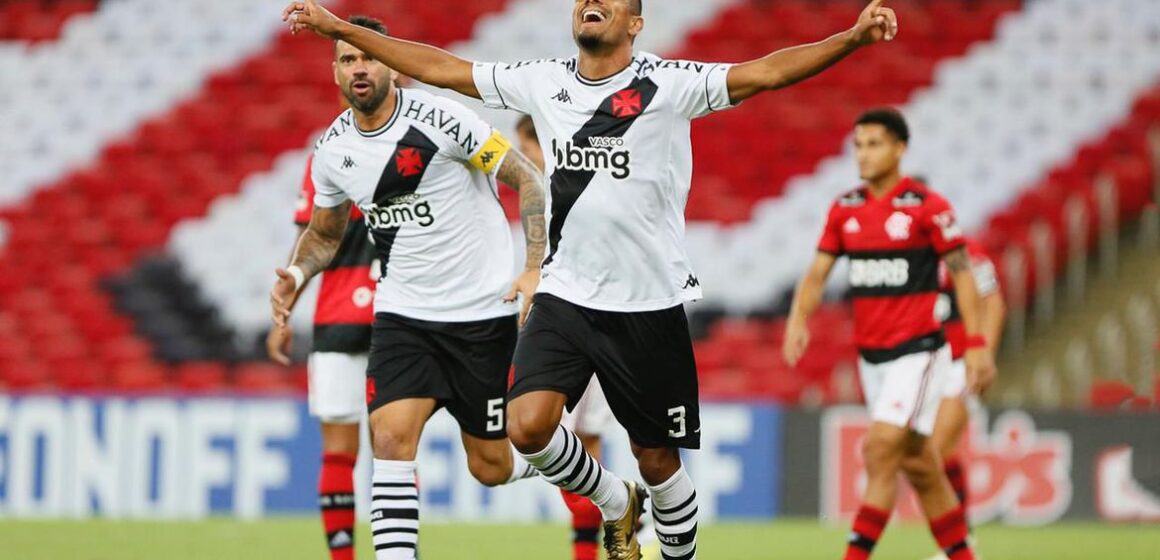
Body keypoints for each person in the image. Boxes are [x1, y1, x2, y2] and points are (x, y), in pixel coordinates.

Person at [282, 1, 900, 558]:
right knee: (525, 426)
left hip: (648, 302)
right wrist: (337, 26)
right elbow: (443, 68)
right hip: (565, 294)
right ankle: (611, 501)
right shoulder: (542, 81)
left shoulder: (670, 85)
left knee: (657, 461)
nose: (590, 2)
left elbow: (765, 72)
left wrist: (849, 37)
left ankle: (666, 540)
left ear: (635, 23)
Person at [269, 15, 548, 560]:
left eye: (368, 57)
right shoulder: (332, 152)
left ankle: (578, 477)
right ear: (334, 74)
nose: (359, 68)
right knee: (392, 441)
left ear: (391, 63)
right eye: (347, 60)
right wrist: (297, 276)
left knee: (490, 467)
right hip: (402, 317)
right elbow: (324, 235)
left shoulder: (442, 119)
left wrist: (534, 265)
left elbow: (526, 178)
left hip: (480, 316)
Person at [783, 108, 996, 560]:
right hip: (872, 357)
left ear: (900, 148)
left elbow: (963, 275)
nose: (863, 154)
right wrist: (799, 318)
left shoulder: (927, 207)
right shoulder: (846, 209)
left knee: (879, 449)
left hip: (919, 352)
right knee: (920, 464)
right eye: (858, 145)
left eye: (874, 144)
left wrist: (976, 345)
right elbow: (818, 272)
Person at [513, 114, 661, 560]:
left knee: (563, 444)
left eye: (530, 148)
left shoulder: (571, 193)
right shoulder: (544, 198)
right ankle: (624, 514)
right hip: (579, 327)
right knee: (575, 449)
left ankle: (621, 514)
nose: (526, 160)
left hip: (582, 324)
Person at [266, 148, 376, 560]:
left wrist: (285, 313)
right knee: (395, 452)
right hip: (397, 319)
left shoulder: (330, 154)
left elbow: (308, 240)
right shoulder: (419, 149)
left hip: (343, 317)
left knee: (341, 452)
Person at [924, 236, 1005, 560]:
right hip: (920, 365)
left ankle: (958, 546)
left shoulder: (964, 253)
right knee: (936, 456)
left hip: (959, 364)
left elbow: (993, 303)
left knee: (937, 448)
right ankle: (960, 542)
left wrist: (983, 354)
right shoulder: (905, 255)